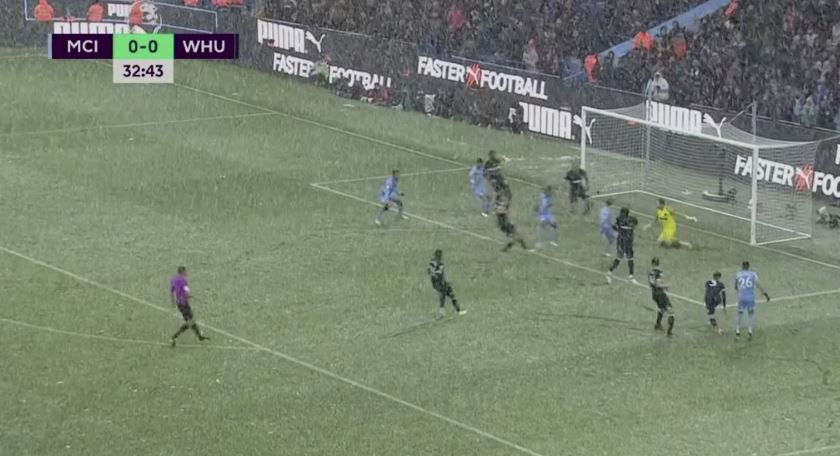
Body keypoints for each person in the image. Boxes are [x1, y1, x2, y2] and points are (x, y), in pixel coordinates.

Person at [170, 266, 208, 346]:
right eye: (185, 271)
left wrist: (173, 302)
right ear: (182, 272)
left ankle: (199, 336)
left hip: (179, 303)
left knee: (191, 320)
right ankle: (174, 336)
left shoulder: (173, 280)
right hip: (184, 303)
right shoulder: (184, 280)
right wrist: (190, 296)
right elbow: (187, 292)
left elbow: (172, 291)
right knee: (190, 322)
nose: (186, 272)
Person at [734, 261, 770, 340]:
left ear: (742, 266)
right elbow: (759, 285)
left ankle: (737, 332)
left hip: (741, 297)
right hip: (750, 297)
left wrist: (740, 292)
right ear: (748, 266)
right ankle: (750, 331)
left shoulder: (738, 274)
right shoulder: (753, 274)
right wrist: (765, 294)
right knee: (751, 314)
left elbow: (736, 287)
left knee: (739, 314)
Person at [428, 249, 466, 317]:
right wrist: (438, 278)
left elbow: (436, 273)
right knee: (444, 293)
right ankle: (442, 309)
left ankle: (458, 310)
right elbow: (433, 273)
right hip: (438, 282)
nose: (441, 257)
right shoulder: (435, 263)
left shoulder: (438, 263)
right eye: (440, 256)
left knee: (451, 294)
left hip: (441, 282)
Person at [607, 207, 639, 284]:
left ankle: (630, 276)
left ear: (624, 213)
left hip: (626, 242)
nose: (620, 214)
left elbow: (618, 228)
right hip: (624, 242)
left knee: (628, 258)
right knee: (622, 257)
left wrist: (613, 226)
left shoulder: (623, 219)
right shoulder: (623, 219)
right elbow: (633, 226)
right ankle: (610, 272)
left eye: (621, 212)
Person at [649, 257, 675, 336]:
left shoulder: (651, 272)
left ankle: (658, 324)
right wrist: (666, 286)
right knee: (671, 312)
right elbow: (658, 284)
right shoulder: (658, 272)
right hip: (660, 294)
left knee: (662, 309)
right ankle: (669, 332)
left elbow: (652, 283)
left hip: (654, 294)